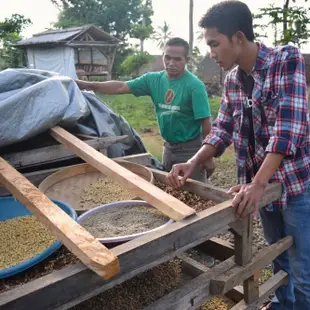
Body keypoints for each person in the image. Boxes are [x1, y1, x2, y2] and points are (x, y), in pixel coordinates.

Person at [166, 1, 310, 310]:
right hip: (259, 186)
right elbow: (222, 129)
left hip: (293, 184)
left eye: (215, 44)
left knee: (303, 266)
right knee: (276, 252)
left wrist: (257, 184)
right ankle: (282, 304)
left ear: (239, 38)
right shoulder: (232, 80)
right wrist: (192, 162)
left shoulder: (286, 60)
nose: (211, 53)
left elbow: (289, 130)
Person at [75, 37, 215, 182]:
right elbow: (121, 87)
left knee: (194, 193)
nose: (171, 63)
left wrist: (207, 156)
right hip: (169, 147)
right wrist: (88, 85)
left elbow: (206, 123)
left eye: (177, 59)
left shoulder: (195, 86)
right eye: (167, 58)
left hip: (191, 149)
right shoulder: (153, 80)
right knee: (171, 189)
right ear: (163, 56)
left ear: (187, 60)